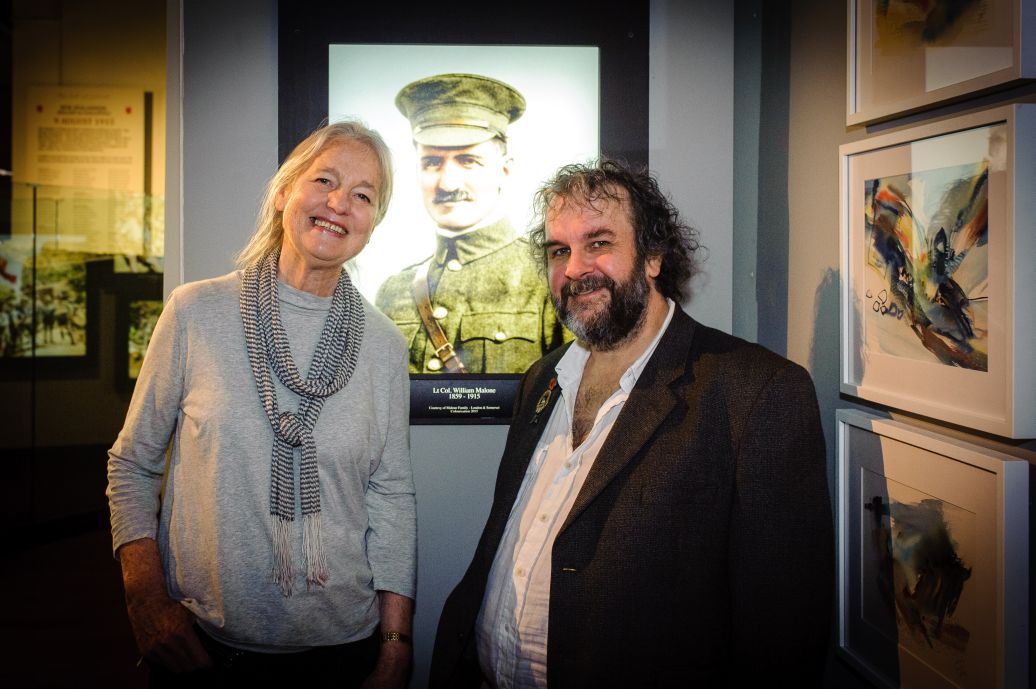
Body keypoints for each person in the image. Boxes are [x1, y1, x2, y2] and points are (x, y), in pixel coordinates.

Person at [429, 160, 834, 687]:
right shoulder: (542, 378)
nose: (574, 269)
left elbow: (784, 635)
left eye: (598, 243)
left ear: (653, 257)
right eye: (559, 250)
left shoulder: (756, 393)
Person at [106, 121, 417, 688]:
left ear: (374, 223)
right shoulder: (194, 313)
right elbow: (132, 464)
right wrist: (145, 599)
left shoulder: (385, 346)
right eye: (324, 180)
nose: (338, 203)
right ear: (282, 195)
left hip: (343, 651)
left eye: (363, 195)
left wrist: (396, 646)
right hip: (205, 648)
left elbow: (391, 495)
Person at [375, 73, 569, 374]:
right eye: (431, 163)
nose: (448, 182)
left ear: (505, 171)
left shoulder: (549, 276)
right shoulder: (393, 291)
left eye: (468, 161)